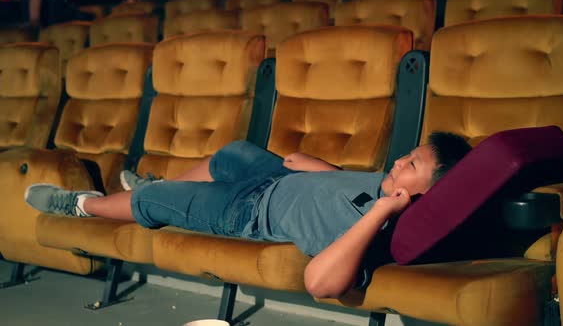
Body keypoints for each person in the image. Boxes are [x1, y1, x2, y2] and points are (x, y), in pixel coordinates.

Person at [24, 132, 472, 298]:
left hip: (249, 212)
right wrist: (322, 168)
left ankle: (83, 204)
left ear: (425, 195)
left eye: (410, 165)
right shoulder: (384, 184)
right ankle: (151, 187)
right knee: (231, 152)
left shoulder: (380, 228)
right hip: (274, 177)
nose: (398, 162)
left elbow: (321, 284)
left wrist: (382, 210)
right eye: (406, 156)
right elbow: (341, 184)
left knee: (153, 203)